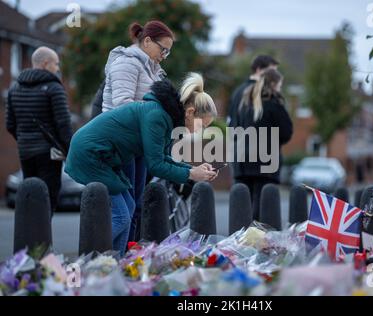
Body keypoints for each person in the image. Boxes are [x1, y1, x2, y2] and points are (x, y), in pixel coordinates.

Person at [65, 73, 218, 255]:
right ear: (191, 112)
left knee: (128, 209)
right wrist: (192, 175)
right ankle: (92, 260)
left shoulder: (167, 119)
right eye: (203, 125)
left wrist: (193, 169)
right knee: (121, 216)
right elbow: (155, 165)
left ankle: (116, 263)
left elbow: (163, 158)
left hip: (104, 156)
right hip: (91, 153)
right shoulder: (157, 116)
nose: (202, 131)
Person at [102, 20, 174, 241]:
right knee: (127, 210)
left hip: (139, 143)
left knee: (137, 207)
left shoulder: (154, 70)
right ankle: (110, 257)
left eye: (168, 52)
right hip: (122, 141)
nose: (164, 55)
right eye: (163, 49)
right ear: (147, 41)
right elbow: (122, 104)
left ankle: (128, 260)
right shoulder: (127, 63)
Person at [6, 46, 72, 213]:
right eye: (56, 64)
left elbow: (10, 125)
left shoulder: (14, 88)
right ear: (45, 63)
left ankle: (29, 236)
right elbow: (63, 125)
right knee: (48, 199)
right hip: (50, 153)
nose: (57, 68)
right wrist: (70, 150)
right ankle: (42, 239)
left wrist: (24, 139)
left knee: (31, 196)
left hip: (25, 151)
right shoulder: (54, 88)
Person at [232, 69, 293, 220]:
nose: (280, 89)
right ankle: (257, 240)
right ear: (273, 84)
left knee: (243, 206)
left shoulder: (244, 104)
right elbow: (286, 132)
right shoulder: (273, 105)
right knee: (262, 209)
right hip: (265, 163)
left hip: (242, 162)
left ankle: (240, 240)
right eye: (279, 85)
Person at [227, 55, 279, 127]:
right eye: (271, 72)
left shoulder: (238, 90)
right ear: (258, 69)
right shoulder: (261, 92)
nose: (275, 76)